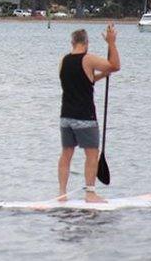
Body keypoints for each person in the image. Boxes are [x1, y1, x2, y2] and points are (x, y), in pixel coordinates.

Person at [57, 25, 120, 203]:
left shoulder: (63, 60)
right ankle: (90, 193)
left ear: (72, 42)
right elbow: (115, 66)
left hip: (65, 117)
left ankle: (62, 193)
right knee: (92, 154)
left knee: (66, 154)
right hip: (84, 117)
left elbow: (81, 81)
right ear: (86, 43)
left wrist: (100, 76)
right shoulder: (88, 59)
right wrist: (111, 43)